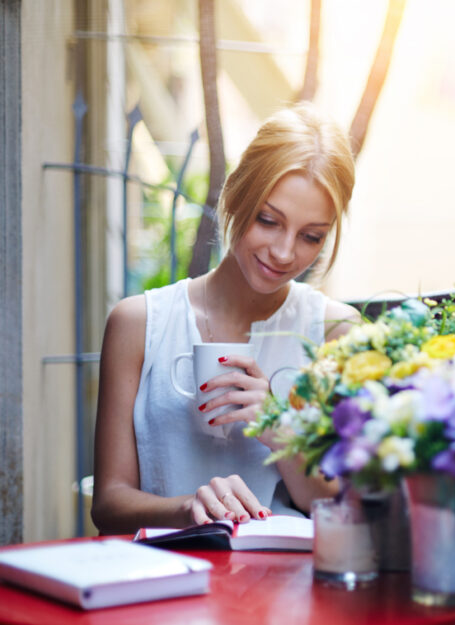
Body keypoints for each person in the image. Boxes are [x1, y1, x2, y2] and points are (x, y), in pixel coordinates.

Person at [92, 104, 359, 534]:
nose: (285, 252)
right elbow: (108, 504)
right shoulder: (138, 324)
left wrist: (279, 427)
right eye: (268, 220)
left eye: (312, 236)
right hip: (165, 584)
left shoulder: (335, 333)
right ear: (236, 195)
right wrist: (187, 509)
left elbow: (345, 507)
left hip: (286, 590)